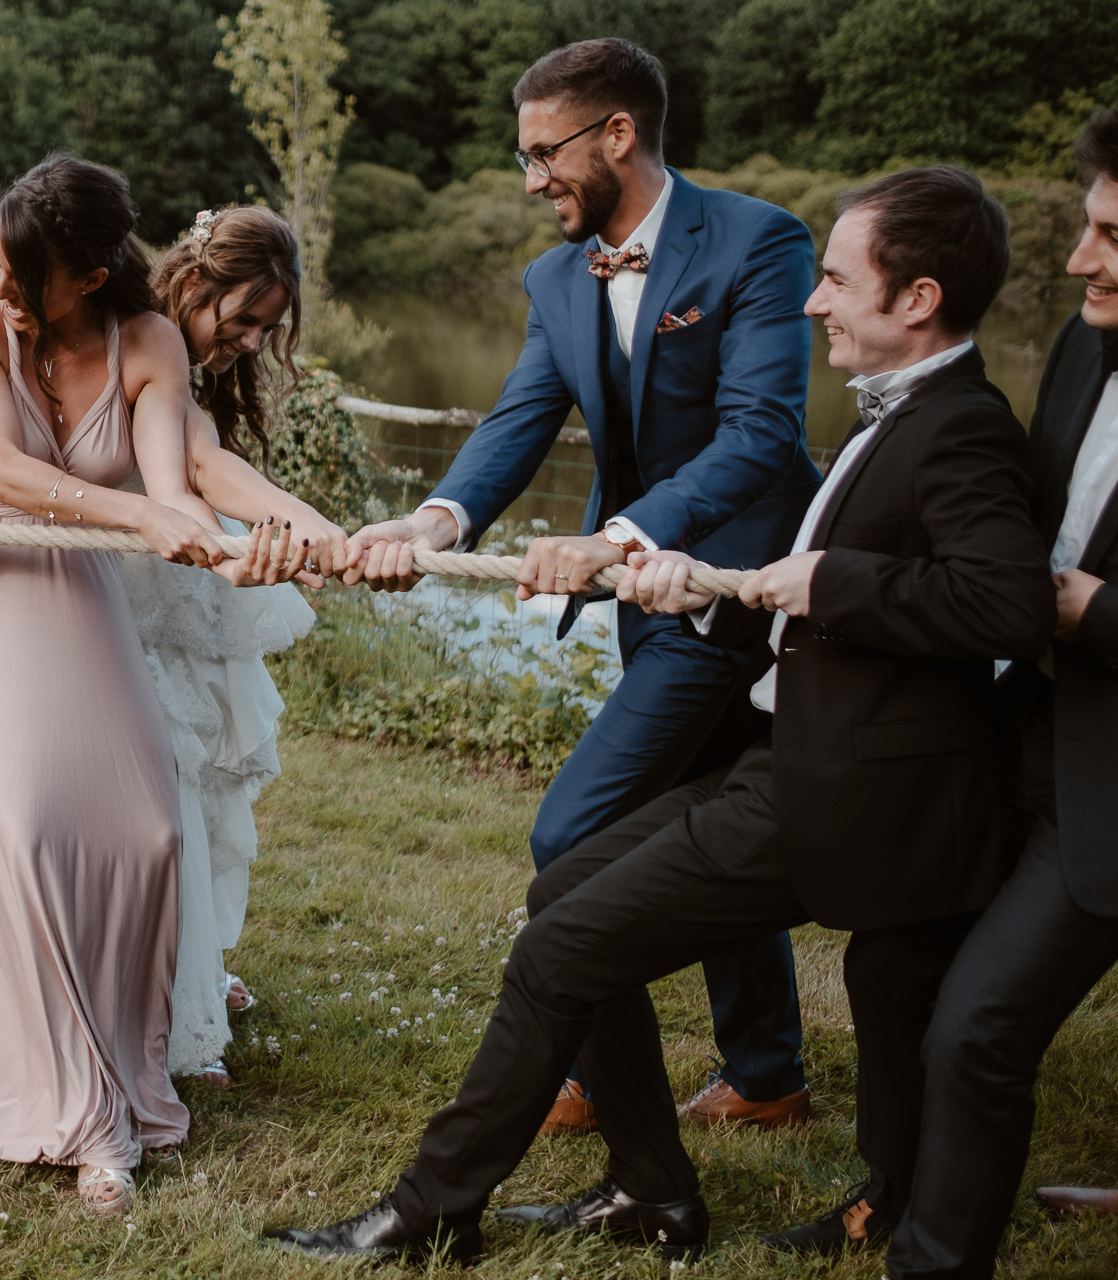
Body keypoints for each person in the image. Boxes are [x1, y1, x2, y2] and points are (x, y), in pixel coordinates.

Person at [267, 166, 1052, 1266]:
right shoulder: (894, 417)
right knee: (562, 888)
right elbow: (830, 613)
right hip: (796, 751)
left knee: (557, 945)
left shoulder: (959, 426)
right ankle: (649, 1187)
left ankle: (431, 1207)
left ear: (913, 298)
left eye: (835, 281)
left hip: (849, 790)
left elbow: (1003, 602)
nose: (813, 302)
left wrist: (823, 580)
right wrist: (715, 600)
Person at [343, 36, 817, 1134]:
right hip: (635, 609)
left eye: (542, 152)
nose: (528, 180)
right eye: (520, 158)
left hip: (728, 596)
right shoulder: (554, 277)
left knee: (572, 837)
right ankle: (765, 1074)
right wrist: (430, 521)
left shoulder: (755, 239)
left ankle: (605, 1078)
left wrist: (617, 537)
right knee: (713, 834)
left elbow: (759, 435)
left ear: (617, 134)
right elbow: (514, 425)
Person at [0, 153, 236, 1218]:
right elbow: (1, 470)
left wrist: (209, 531)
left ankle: (115, 1058)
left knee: (149, 829)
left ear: (87, 276)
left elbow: (169, 479)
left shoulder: (147, 340)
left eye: (21, 272)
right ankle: (75, 1107)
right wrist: (145, 518)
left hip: (83, 596)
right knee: (16, 821)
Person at [883, 114, 1118, 1280]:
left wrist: (1095, 613)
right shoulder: (1084, 343)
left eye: (1111, 235)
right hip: (1017, 733)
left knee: (978, 1023)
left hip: (1108, 778)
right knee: (899, 953)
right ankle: (886, 1197)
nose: (1079, 259)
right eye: (1088, 226)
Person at [137, 204, 342, 1083]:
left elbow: (215, 466)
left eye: (267, 328)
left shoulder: (189, 363)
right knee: (169, 791)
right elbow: (201, 470)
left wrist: (316, 532)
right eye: (244, 320)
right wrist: (312, 524)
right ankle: (163, 992)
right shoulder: (140, 342)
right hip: (136, 587)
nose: (254, 343)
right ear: (193, 284)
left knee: (215, 795)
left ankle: (199, 969)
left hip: (193, 576)